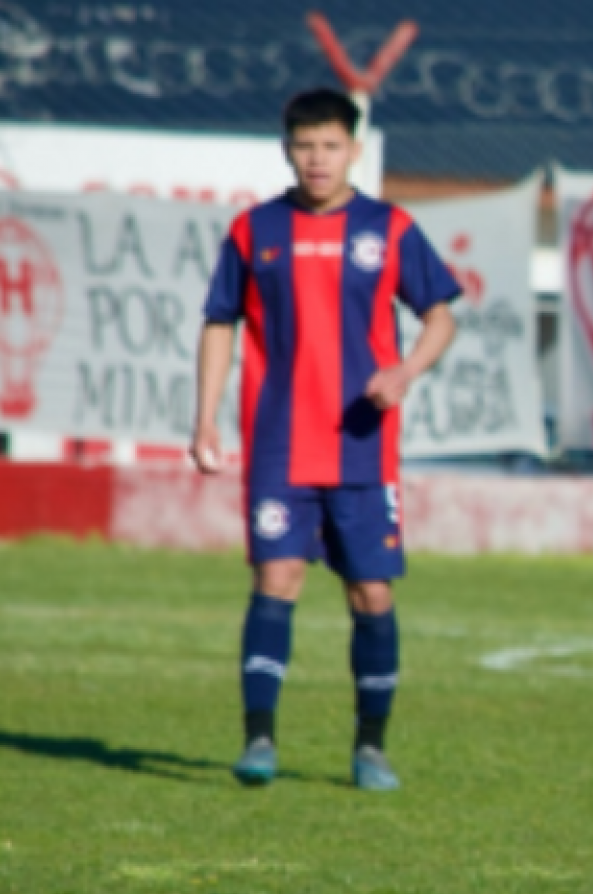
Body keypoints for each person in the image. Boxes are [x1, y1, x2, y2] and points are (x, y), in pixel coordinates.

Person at [191, 88, 461, 791]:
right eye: (305, 146)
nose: (317, 159)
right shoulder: (256, 231)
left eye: (330, 146)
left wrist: (406, 370)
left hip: (363, 447)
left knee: (371, 594)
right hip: (279, 443)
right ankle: (258, 741)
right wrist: (205, 417)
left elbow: (440, 315)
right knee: (275, 580)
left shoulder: (388, 227)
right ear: (288, 150)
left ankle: (370, 748)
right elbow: (219, 321)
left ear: (354, 150)